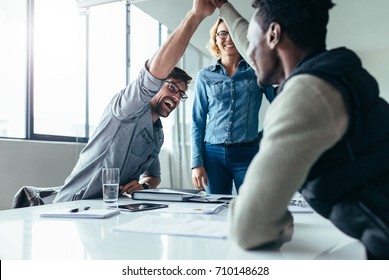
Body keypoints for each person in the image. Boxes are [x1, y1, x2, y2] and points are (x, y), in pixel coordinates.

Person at [215, 0, 389, 259]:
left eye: (252, 43)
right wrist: (223, 6)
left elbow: (250, 228)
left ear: (274, 34)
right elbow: (254, 47)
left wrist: (280, 222)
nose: (248, 53)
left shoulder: (307, 93)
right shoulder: (335, 75)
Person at [54, 0, 217, 202]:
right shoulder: (128, 108)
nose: (176, 97)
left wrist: (143, 185)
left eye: (180, 94)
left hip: (109, 209)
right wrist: (195, 15)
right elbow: (151, 77)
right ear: (158, 84)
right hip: (74, 205)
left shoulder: (157, 134)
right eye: (172, 87)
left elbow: (154, 177)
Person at [191, 18, 274, 195]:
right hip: (212, 155)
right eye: (223, 33)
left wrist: (264, 136)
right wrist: (196, 163)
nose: (228, 39)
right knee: (215, 210)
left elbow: (281, 104)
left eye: (233, 34)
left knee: (252, 207)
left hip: (248, 154)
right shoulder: (205, 77)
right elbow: (197, 121)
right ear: (215, 38)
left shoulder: (258, 71)